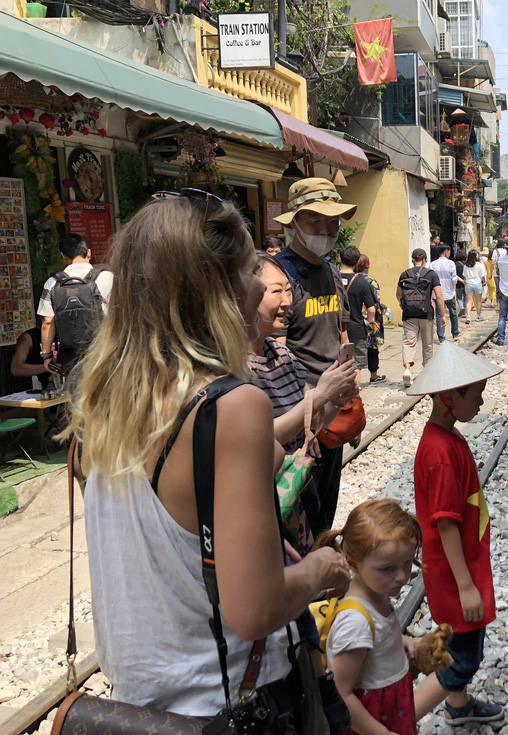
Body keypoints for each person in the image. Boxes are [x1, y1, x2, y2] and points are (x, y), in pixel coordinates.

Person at [63, 192, 352, 717]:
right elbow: (256, 605)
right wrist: (322, 570)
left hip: (141, 706)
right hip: (230, 701)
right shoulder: (233, 406)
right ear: (212, 288)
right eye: (248, 271)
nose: (262, 285)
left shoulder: (100, 404)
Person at [407, 343, 505, 727]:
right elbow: (446, 523)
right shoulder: (442, 453)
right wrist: (466, 585)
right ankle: (399, 723)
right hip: (455, 574)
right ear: (449, 398)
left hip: (455, 569)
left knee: (457, 638)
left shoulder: (443, 439)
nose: (481, 401)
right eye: (476, 395)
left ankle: (459, 706)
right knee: (462, 657)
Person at [273, 177, 356, 536]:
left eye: (332, 222)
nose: (326, 229)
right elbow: (269, 352)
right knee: (298, 521)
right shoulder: (279, 276)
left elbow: (341, 332)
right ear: (293, 223)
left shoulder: (332, 272)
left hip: (331, 416)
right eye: (315, 221)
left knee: (325, 514)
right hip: (297, 422)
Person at [321, 499, 430, 735]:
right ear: (353, 564)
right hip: (373, 720)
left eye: (407, 562)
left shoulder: (374, 593)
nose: (402, 576)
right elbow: (342, 692)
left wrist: (401, 642)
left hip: (390, 705)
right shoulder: (355, 623)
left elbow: (377, 635)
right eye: (387, 568)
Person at [248, 253, 358, 452]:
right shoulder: (232, 366)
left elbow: (314, 419)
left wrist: (335, 399)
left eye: (289, 290)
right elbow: (255, 440)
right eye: (276, 291)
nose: (288, 301)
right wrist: (320, 395)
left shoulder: (282, 353)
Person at [38, 233, 114, 376]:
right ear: (89, 253)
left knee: (76, 396)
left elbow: (47, 321)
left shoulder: (52, 283)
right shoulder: (107, 278)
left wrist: (47, 355)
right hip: (104, 349)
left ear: (63, 257)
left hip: (70, 354)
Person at [397, 248, 446, 387]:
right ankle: (427, 372)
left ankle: (407, 369)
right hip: (426, 314)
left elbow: (398, 294)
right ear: (426, 260)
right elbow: (439, 296)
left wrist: (402, 304)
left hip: (409, 314)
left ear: (413, 259)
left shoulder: (404, 274)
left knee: (408, 342)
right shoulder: (431, 275)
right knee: (427, 343)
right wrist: (443, 315)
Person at [337, 246, 377, 383]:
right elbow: (371, 309)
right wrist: (370, 321)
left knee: (336, 364)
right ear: (356, 262)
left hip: (334, 328)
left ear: (340, 259)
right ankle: (355, 396)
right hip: (356, 328)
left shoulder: (331, 279)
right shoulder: (362, 282)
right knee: (356, 366)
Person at [355, 254, 387, 384]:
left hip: (355, 319)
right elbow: (375, 303)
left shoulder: (350, 279)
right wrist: (384, 310)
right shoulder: (371, 282)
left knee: (355, 349)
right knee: (372, 348)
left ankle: (356, 377)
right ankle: (373, 376)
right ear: (367, 265)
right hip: (370, 319)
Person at [431, 245, 461, 343]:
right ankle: (455, 332)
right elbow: (454, 279)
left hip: (438, 293)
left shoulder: (432, 264)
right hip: (449, 292)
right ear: (446, 251)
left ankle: (441, 336)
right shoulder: (451, 263)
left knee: (439, 315)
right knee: (453, 313)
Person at [10, 326, 52, 390]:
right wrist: (49, 367)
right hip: (38, 388)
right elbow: (15, 368)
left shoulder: (65, 334)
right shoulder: (28, 337)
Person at [462, 250, 487, 324]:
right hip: (477, 283)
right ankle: (478, 316)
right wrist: (484, 282)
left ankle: (468, 316)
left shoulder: (466, 265)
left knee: (469, 301)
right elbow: (482, 276)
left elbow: (465, 277)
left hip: (468, 284)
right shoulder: (479, 265)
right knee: (478, 301)